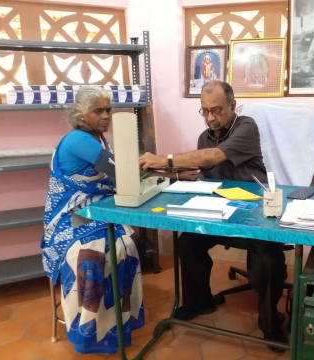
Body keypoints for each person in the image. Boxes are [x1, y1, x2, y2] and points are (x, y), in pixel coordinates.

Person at [41, 86, 199, 354]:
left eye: (108, 109)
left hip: (96, 212)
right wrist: (175, 175)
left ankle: (116, 319)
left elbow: (124, 172)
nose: (106, 116)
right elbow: (123, 176)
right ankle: (93, 329)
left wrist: (170, 173)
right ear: (80, 113)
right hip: (71, 220)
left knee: (126, 240)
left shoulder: (99, 139)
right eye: (98, 110)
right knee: (100, 250)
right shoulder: (80, 140)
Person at [139, 80, 288, 351]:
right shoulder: (205, 136)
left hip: (254, 210)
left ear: (232, 106)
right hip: (220, 211)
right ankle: (200, 301)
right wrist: (182, 173)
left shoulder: (247, 126)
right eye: (204, 111)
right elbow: (204, 168)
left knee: (267, 257)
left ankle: (270, 323)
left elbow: (214, 156)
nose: (210, 117)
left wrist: (164, 159)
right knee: (187, 242)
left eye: (217, 110)